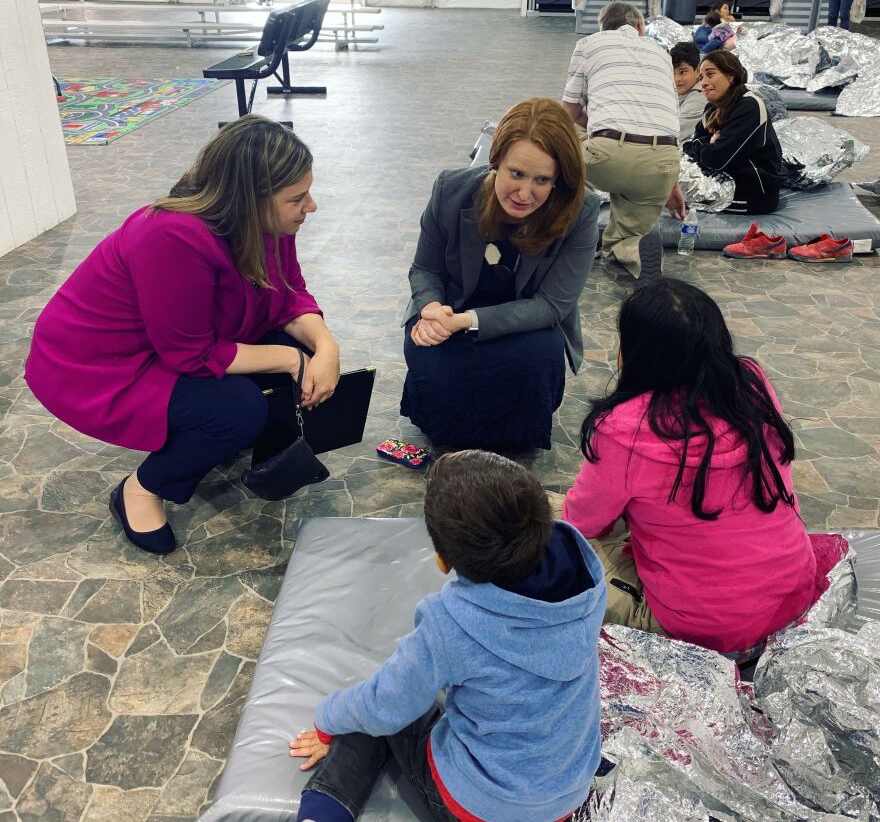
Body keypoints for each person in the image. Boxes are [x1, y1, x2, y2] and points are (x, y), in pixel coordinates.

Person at [25, 115, 339, 555]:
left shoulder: (268, 224)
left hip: (175, 339)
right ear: (252, 201)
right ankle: (143, 487)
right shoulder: (171, 236)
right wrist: (292, 360)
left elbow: (288, 294)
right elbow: (191, 354)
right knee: (240, 409)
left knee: (295, 349)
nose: (312, 206)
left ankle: (212, 436)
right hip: (101, 361)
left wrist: (326, 346)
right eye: (298, 198)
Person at [290, 449, 606, 822]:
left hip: (480, 806)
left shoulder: (449, 623)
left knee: (373, 710)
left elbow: (386, 706)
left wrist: (327, 718)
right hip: (564, 796)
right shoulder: (587, 578)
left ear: (442, 560)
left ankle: (325, 809)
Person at [562, 279, 828, 659]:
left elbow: (581, 522)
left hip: (701, 630)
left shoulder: (623, 429)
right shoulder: (750, 382)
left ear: (635, 352)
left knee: (543, 525)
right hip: (791, 600)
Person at [401, 98, 600, 453]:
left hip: (527, 324)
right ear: (496, 162)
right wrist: (431, 308)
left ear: (560, 181)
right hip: (450, 309)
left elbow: (552, 305)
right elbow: (426, 268)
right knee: (429, 351)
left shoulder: (581, 210)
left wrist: (466, 321)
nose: (525, 193)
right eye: (516, 174)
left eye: (543, 180)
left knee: (540, 354)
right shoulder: (451, 189)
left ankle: (515, 437)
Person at [562, 1, 685, 283]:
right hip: (662, 164)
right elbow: (668, 121)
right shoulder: (662, 53)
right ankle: (634, 251)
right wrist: (671, 184)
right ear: (640, 27)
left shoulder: (589, 44)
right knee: (628, 236)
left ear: (603, 27)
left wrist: (595, 125)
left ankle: (565, 229)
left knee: (561, 138)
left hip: (605, 156)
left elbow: (567, 112)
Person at [683, 50, 787, 216]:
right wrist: (708, 145)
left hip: (753, 196)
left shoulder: (749, 106)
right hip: (723, 183)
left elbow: (716, 159)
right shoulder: (712, 108)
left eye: (710, 74)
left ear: (731, 76)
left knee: (668, 201)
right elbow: (689, 144)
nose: (703, 82)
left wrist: (707, 147)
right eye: (701, 77)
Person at [670, 42, 706, 142]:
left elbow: (673, 134)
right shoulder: (674, 91)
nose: (677, 79)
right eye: (672, 73)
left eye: (683, 72)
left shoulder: (701, 97)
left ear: (698, 71)